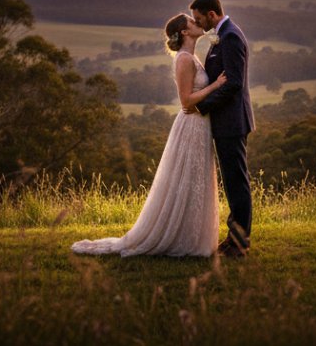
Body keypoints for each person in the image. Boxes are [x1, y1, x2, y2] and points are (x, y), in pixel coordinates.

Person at [71, 13, 226, 257]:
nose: (198, 23)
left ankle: (192, 236)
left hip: (200, 124)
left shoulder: (192, 56)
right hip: (191, 124)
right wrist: (215, 86)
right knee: (186, 179)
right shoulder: (184, 59)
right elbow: (186, 101)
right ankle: (178, 237)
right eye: (193, 22)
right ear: (185, 32)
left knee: (195, 180)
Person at [187, 0, 254, 258]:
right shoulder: (223, 34)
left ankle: (239, 244)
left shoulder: (231, 37)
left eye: (199, 17)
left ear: (212, 14)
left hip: (232, 122)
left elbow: (234, 82)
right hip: (226, 121)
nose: (197, 22)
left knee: (237, 183)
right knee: (231, 182)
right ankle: (233, 238)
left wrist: (202, 106)